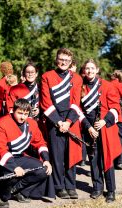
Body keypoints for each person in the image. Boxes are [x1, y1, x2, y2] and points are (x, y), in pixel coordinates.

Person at [0, 98, 53, 208]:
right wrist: (14, 167)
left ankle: (18, 191)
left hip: (20, 157)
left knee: (43, 171)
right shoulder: (1, 123)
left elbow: (40, 142)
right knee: (11, 175)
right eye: (19, 113)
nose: (22, 117)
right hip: (5, 160)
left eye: (25, 114)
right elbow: (0, 149)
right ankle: (3, 196)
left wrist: (46, 160)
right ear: (13, 111)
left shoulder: (32, 123)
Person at [40, 48, 82, 199]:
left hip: (71, 121)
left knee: (71, 154)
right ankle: (59, 186)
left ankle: (71, 185)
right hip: (54, 120)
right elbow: (45, 101)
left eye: (67, 60)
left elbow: (76, 102)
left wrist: (69, 122)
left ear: (71, 62)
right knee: (57, 156)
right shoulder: (47, 76)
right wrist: (59, 122)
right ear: (56, 60)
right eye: (61, 59)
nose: (63, 62)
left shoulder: (77, 78)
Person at [80, 59, 122, 203]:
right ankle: (97, 187)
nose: (90, 71)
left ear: (97, 70)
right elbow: (79, 111)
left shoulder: (107, 86)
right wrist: (88, 127)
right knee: (93, 159)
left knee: (107, 159)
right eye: (87, 68)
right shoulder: (81, 86)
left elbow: (115, 107)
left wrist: (104, 121)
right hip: (89, 129)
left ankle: (111, 190)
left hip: (104, 128)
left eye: (92, 68)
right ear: (84, 70)